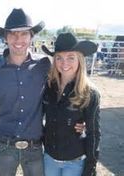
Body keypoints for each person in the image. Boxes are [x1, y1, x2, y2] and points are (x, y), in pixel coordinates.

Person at [0, 8, 49, 176]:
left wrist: (79, 118)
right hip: (4, 147)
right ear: (5, 37)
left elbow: (66, 91)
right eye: (12, 34)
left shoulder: (46, 66)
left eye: (24, 34)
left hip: (35, 148)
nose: (18, 39)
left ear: (32, 36)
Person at [41, 32, 101, 176]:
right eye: (59, 58)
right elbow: (35, 114)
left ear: (79, 60)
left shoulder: (90, 93)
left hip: (75, 162)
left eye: (71, 57)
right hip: (49, 158)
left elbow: (94, 133)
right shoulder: (47, 86)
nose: (64, 63)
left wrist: (90, 166)